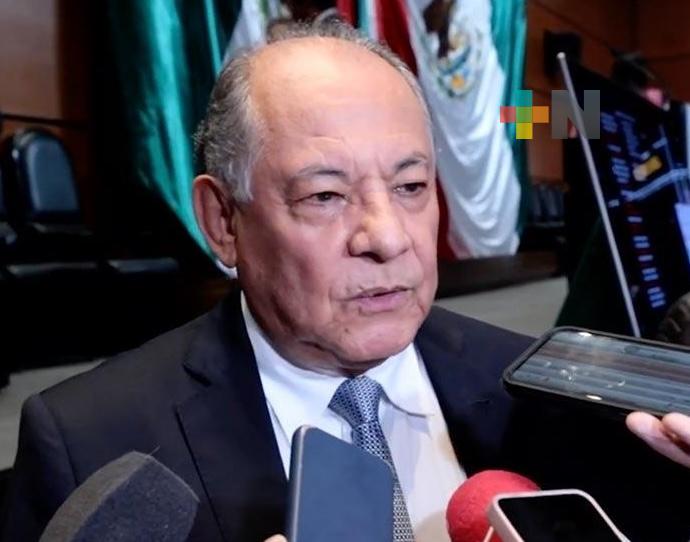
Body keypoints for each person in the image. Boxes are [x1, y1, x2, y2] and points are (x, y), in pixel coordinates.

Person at [2, 22, 690, 542]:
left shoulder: (542, 392)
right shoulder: (88, 444)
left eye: (412, 186)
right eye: (325, 196)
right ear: (223, 221)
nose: (388, 238)